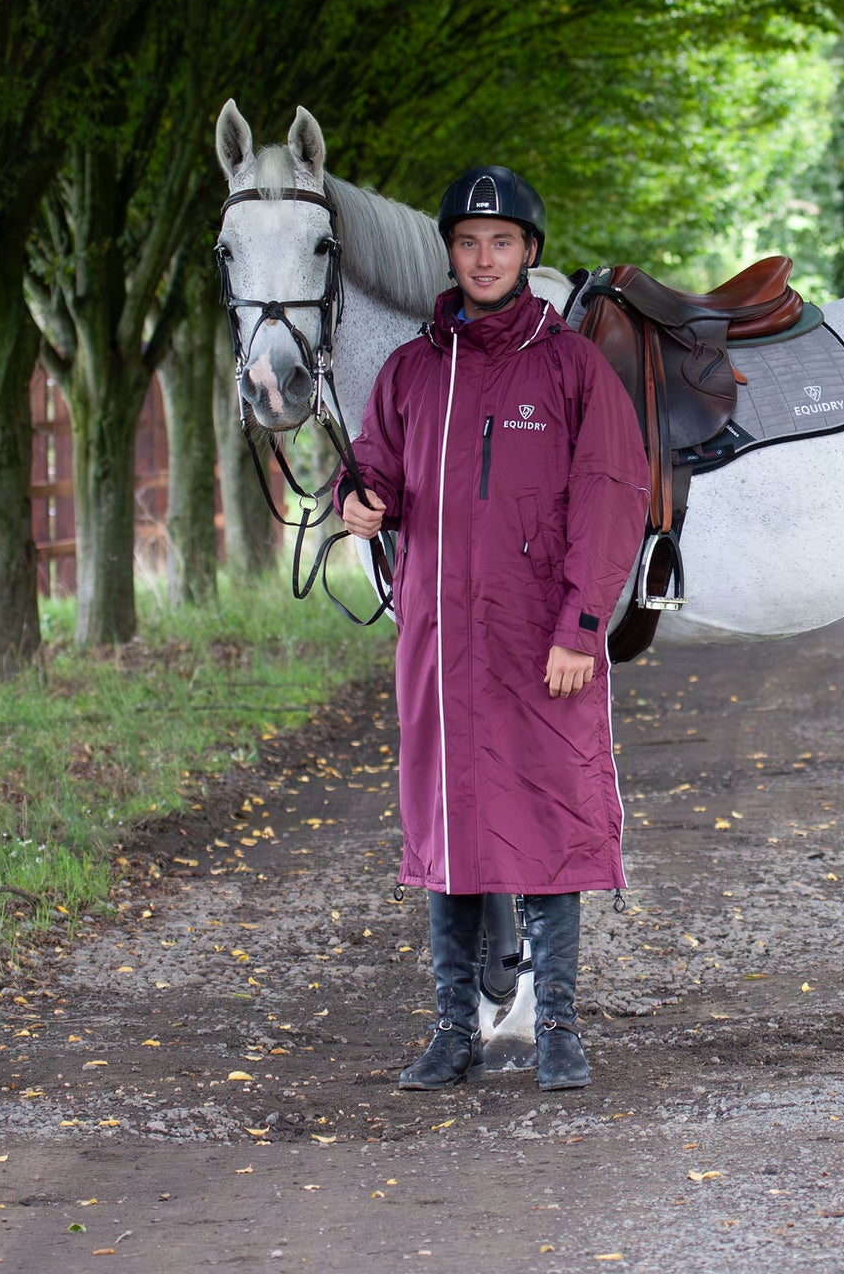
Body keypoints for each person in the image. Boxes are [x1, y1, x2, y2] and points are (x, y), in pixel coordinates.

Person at [338, 166, 649, 1091]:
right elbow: (375, 463)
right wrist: (362, 496)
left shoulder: (571, 369)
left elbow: (611, 499)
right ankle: (454, 1028)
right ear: (452, 253)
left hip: (540, 640)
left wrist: (581, 627)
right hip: (439, 642)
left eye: (502, 242)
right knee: (449, 822)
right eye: (469, 242)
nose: (484, 258)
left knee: (549, 818)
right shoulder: (412, 369)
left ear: (529, 254)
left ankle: (557, 1025)